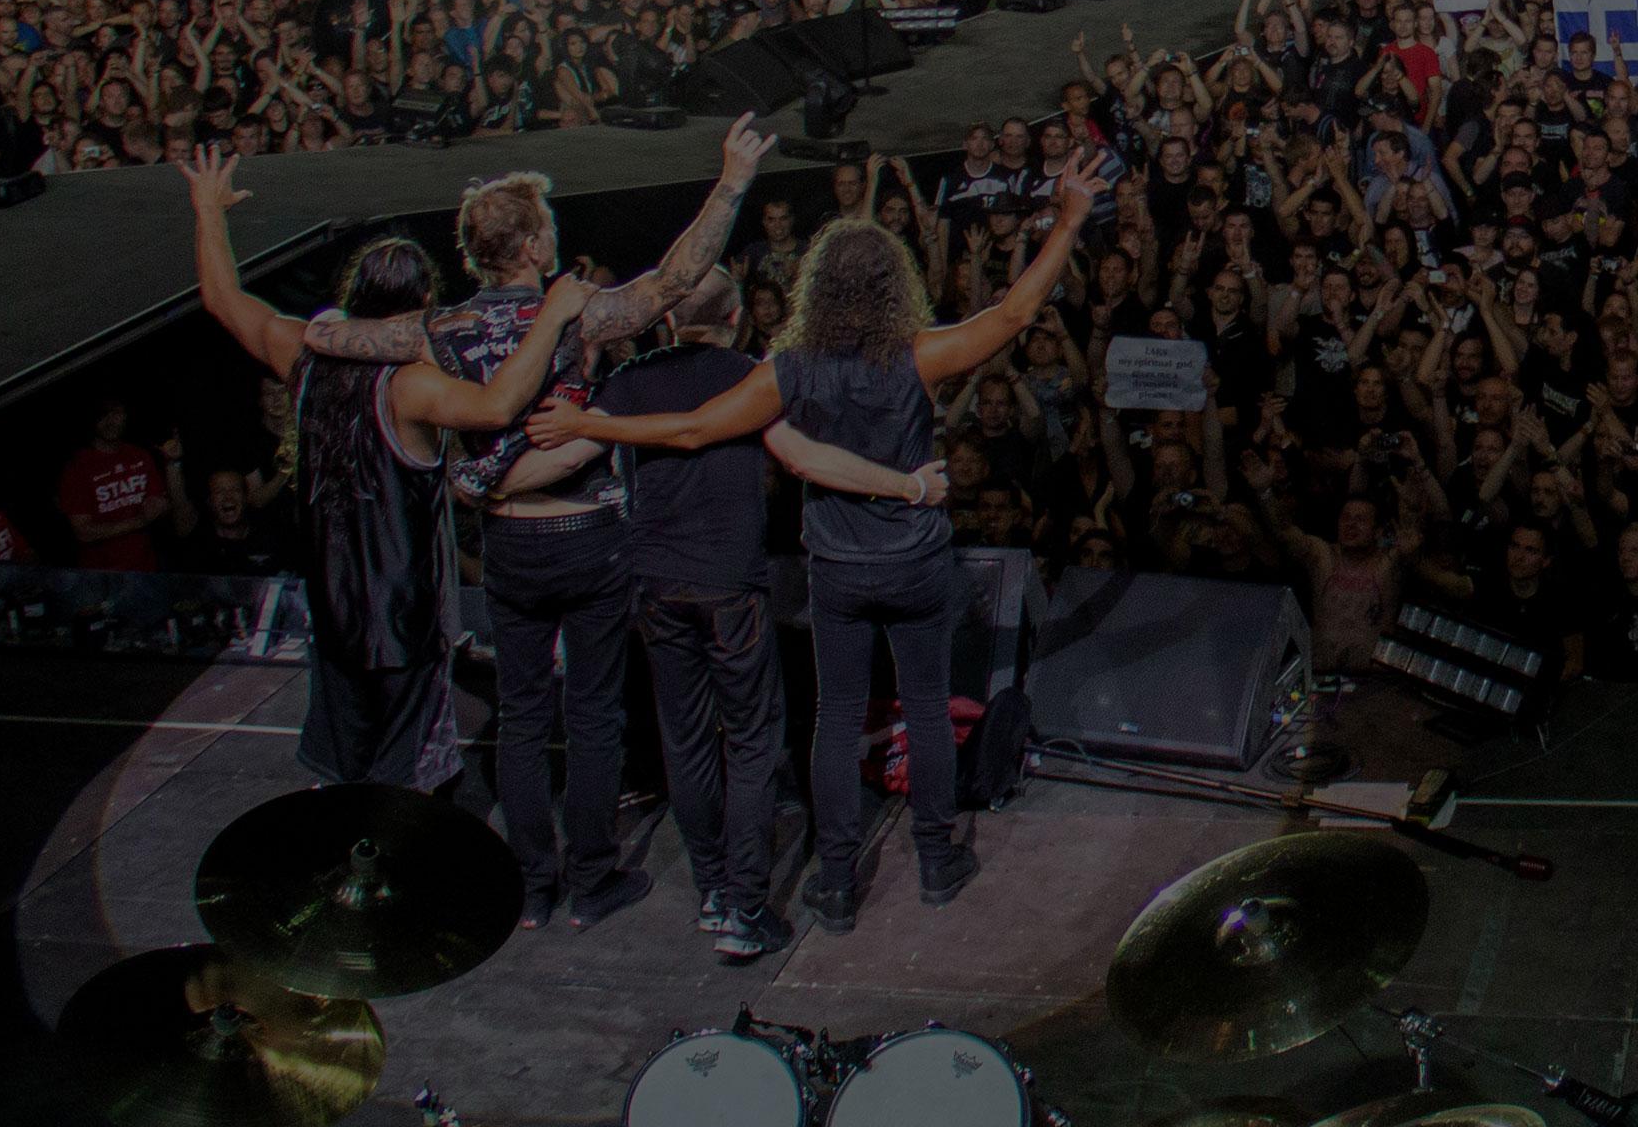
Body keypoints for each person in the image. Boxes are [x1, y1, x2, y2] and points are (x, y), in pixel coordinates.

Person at [529, 150, 1101, 932]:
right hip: (915, 560)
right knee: (928, 710)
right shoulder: (918, 355)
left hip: (837, 567)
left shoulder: (786, 370)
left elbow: (692, 430)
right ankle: (936, 858)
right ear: (894, 285)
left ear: (818, 290)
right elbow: (1011, 314)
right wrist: (1068, 217)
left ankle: (834, 881)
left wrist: (590, 422)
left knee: (836, 717)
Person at [310, 115, 778, 928]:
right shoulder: (576, 314)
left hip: (506, 541)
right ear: (529, 246)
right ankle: (592, 880)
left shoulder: (436, 332)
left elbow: (333, 336)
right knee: (592, 712)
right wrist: (732, 180)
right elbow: (677, 280)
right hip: (584, 534)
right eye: (547, 228)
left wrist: (321, 328)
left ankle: (531, 885)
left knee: (523, 714)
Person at [176, 147, 594, 791]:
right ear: (422, 304)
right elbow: (500, 404)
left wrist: (207, 209)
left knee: (348, 765)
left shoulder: (305, 357)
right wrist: (555, 316)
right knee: (403, 776)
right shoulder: (411, 385)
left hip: (332, 605)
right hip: (404, 613)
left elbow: (222, 297)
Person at [590, 270, 952, 962]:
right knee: (752, 741)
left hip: (655, 585)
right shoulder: (752, 378)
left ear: (669, 322)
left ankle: (712, 889)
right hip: (729, 584)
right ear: (735, 317)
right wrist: (908, 485)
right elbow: (807, 459)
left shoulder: (631, 380)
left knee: (686, 738)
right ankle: (746, 907)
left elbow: (582, 455)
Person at [56, 398, 173, 573]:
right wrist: (139, 521)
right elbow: (83, 532)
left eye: (116, 413)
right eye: (103, 415)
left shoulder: (139, 455)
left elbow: (160, 504)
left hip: (146, 569)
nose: (111, 421)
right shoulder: (78, 467)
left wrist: (160, 507)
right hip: (101, 576)